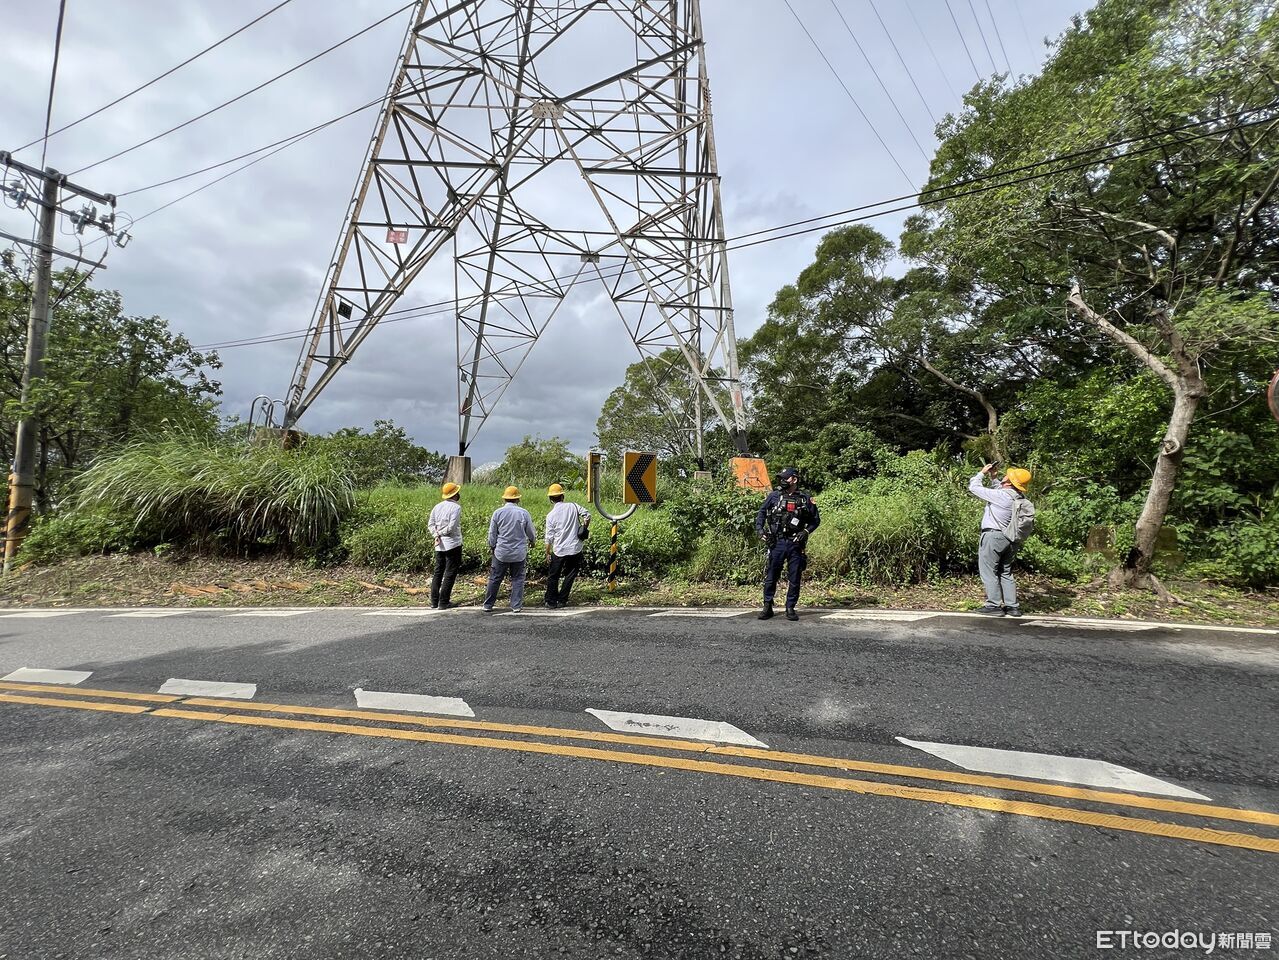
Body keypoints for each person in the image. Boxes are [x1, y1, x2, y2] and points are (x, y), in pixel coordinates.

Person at [755, 467, 821, 621]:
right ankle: (767, 606)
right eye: (781, 478)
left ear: (794, 479)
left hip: (795, 544)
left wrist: (805, 532)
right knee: (771, 576)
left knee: (795, 577)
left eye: (786, 478)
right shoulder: (774, 496)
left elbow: (815, 520)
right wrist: (760, 530)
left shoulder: (805, 498)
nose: (782, 481)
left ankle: (790, 607)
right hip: (777, 542)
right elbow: (761, 513)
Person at [967, 463, 1033, 617]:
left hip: (993, 537)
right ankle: (1012, 606)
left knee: (988, 571)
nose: (1005, 475)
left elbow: (974, 487)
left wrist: (982, 473)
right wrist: (994, 478)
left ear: (1009, 482)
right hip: (1011, 539)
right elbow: (1001, 491)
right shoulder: (1019, 498)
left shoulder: (1001, 496)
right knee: (1005, 572)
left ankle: (994, 605)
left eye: (1007, 476)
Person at [484, 485, 537, 612]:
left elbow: (492, 533)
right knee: (518, 578)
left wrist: (492, 546)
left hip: (501, 551)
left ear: (504, 499)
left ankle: (488, 605)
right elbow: (531, 532)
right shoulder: (523, 513)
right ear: (518, 499)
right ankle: (516, 605)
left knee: (495, 578)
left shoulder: (497, 513)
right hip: (519, 552)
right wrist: (532, 541)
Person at [543, 483, 589, 608]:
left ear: (550, 499)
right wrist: (584, 527)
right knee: (570, 574)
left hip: (559, 550)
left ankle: (551, 601)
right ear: (562, 496)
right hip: (575, 548)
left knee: (553, 576)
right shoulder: (573, 506)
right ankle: (562, 600)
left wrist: (547, 552)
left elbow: (549, 537)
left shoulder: (550, 516)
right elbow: (587, 515)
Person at [427, 482, 463, 609]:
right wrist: (441, 533)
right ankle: (444, 601)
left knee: (438, 572)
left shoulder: (437, 507)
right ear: (455, 494)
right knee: (450, 573)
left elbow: (430, 524)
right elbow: (452, 527)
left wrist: (436, 535)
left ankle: (434, 601)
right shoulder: (456, 508)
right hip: (453, 543)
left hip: (439, 544)